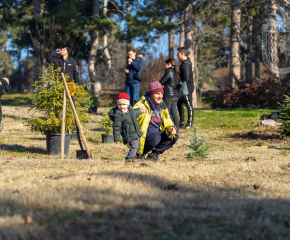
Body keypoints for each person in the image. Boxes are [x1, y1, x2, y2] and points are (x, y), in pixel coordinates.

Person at [134, 79, 179, 161]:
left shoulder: (162, 105)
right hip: (144, 135)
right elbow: (130, 116)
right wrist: (138, 111)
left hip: (157, 134)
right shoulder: (142, 104)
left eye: (161, 93)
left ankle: (153, 155)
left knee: (174, 137)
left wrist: (172, 127)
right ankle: (138, 154)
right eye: (157, 93)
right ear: (151, 94)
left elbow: (167, 119)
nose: (160, 96)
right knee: (156, 137)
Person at [109, 92, 147, 162]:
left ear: (127, 104)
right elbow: (116, 127)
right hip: (128, 134)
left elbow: (135, 113)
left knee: (136, 145)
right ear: (117, 104)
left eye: (124, 104)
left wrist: (141, 110)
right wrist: (117, 137)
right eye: (119, 104)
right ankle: (129, 157)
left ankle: (134, 157)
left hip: (134, 131)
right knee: (134, 145)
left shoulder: (130, 110)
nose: (122, 106)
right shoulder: (118, 116)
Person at [159, 58, 180, 133]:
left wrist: (163, 85)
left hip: (168, 95)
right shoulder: (176, 72)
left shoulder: (169, 71)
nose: (165, 66)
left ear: (169, 64)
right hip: (175, 95)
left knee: (165, 113)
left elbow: (161, 82)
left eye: (165, 64)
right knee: (175, 115)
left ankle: (164, 131)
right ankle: (176, 131)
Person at [176, 47, 194, 130]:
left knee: (189, 106)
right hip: (182, 88)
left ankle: (189, 123)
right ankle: (182, 122)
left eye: (178, 53)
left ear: (182, 54)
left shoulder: (186, 64)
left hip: (186, 88)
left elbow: (186, 78)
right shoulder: (183, 63)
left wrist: (183, 87)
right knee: (179, 104)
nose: (177, 55)